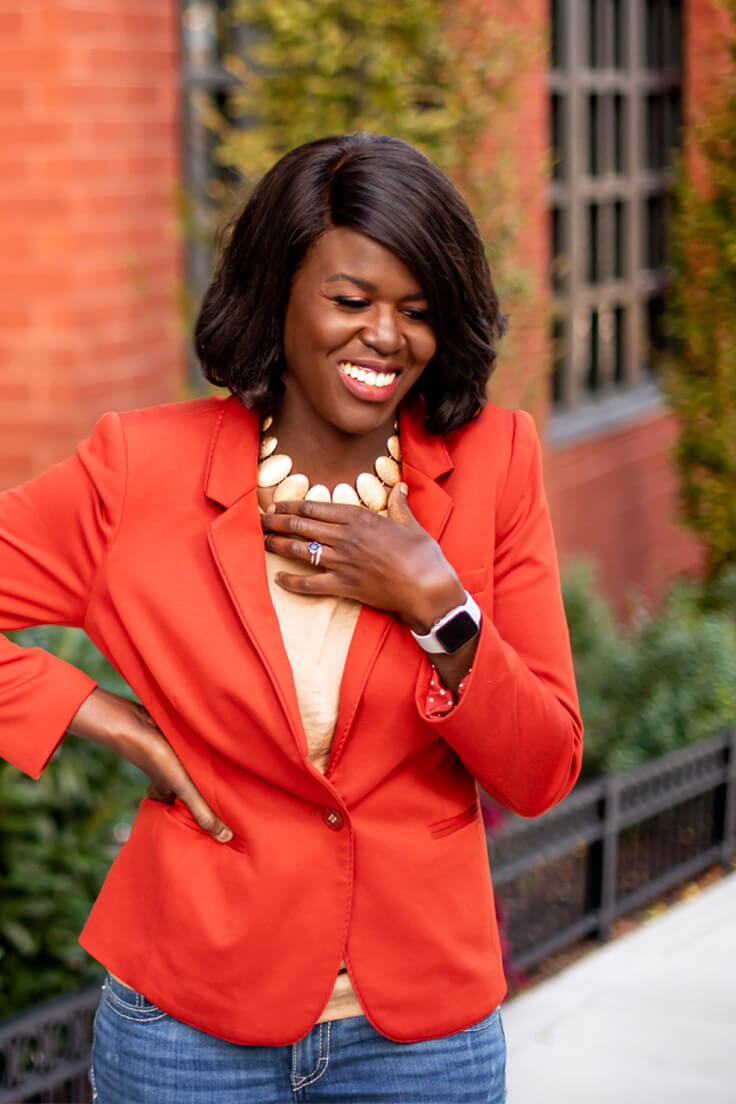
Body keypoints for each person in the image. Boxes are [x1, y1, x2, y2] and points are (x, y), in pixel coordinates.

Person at [0, 133, 582, 1103]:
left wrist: (439, 606)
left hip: (421, 1036)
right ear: (278, 294)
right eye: (351, 301)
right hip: (189, 1023)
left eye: (417, 312)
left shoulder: (494, 464)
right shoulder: (140, 470)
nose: (386, 338)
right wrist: (100, 718)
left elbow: (543, 768)